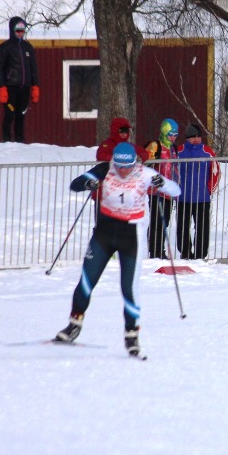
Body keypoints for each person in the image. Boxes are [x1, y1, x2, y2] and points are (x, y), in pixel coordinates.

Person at [55, 142, 181, 357]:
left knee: (128, 288)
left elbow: (175, 190)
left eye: (128, 166)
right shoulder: (105, 169)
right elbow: (75, 184)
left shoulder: (144, 173)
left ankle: (132, 336)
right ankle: (74, 324)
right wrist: (90, 183)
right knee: (87, 280)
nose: (123, 171)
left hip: (131, 235)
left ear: (135, 163)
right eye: (120, 166)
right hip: (104, 233)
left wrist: (162, 183)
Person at [175, 124, 221, 260]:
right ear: (187, 138)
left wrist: (209, 189)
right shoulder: (179, 152)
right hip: (183, 197)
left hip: (202, 198)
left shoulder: (207, 152)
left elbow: (216, 171)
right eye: (194, 137)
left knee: (202, 227)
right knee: (182, 227)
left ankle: (201, 253)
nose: (197, 139)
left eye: (198, 137)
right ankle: (185, 252)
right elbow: (172, 171)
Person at [0, 16, 39, 143]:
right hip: (10, 87)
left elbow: (33, 67)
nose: (20, 33)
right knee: (10, 114)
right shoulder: (4, 48)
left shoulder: (28, 48)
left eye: (22, 31)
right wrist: (2, 87)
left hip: (25, 88)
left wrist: (35, 86)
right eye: (17, 31)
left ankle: (20, 141)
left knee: (21, 115)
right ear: (12, 31)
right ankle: (7, 140)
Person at [144, 118, 179, 258]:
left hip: (168, 192)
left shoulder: (173, 148)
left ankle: (160, 249)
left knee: (165, 222)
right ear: (164, 132)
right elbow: (145, 164)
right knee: (156, 221)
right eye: (171, 134)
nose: (173, 137)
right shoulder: (155, 145)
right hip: (155, 192)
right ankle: (155, 251)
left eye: (176, 135)